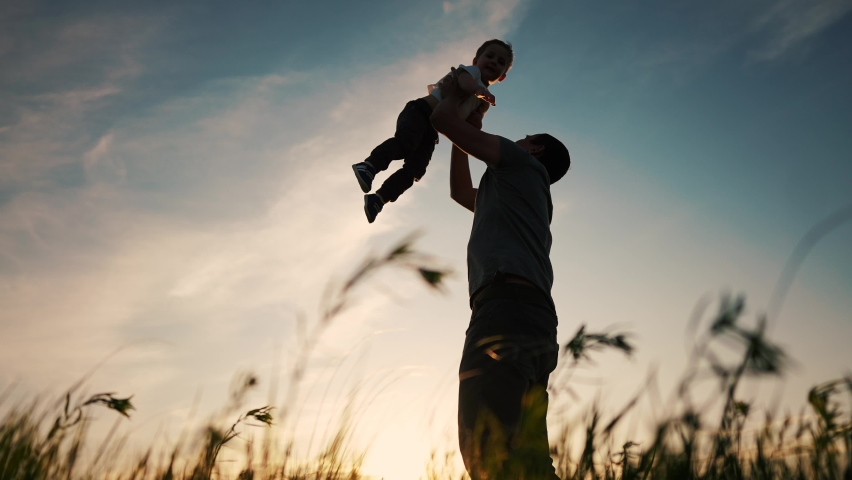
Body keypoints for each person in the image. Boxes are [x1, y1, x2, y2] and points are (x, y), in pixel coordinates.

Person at [430, 68, 571, 479]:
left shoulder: (519, 163)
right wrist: (467, 134)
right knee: (528, 458)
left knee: (485, 444)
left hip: (505, 309)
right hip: (533, 318)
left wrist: (456, 100)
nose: (517, 139)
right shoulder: (516, 190)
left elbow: (440, 121)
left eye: (526, 138)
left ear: (535, 149)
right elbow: (460, 193)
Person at [351, 39, 513, 223]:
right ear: (476, 61)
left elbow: (472, 123)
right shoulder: (472, 73)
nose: (493, 62)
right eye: (490, 56)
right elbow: (464, 81)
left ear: (502, 77)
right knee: (406, 143)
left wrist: (476, 121)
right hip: (420, 111)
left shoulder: (484, 100)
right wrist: (478, 91)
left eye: (500, 62)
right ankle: (370, 165)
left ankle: (379, 198)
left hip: (432, 130)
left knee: (416, 170)